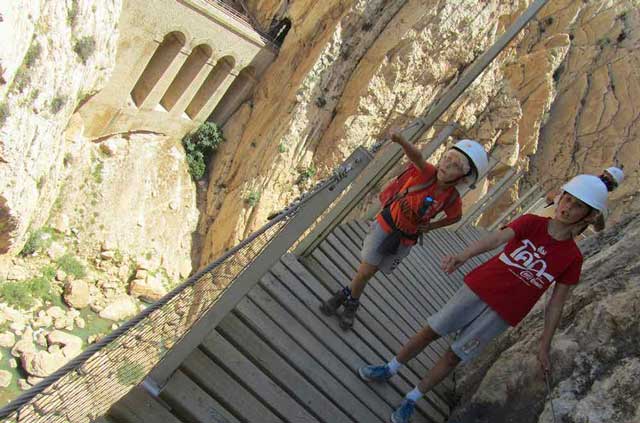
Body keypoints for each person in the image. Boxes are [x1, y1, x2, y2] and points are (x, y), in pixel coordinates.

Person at [357, 174, 608, 423]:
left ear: (586, 216)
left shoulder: (572, 258)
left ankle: (412, 398)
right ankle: (390, 368)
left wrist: (545, 343)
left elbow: (557, 301)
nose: (567, 208)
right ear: (560, 197)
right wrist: (463, 256)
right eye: (567, 199)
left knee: (455, 355)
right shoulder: (532, 223)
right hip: (478, 288)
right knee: (431, 330)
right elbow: (497, 238)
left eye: (577, 206)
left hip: (503, 312)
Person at [319, 129, 489, 330]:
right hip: (387, 225)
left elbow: (455, 216)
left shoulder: (451, 199)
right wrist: (401, 140)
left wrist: (431, 226)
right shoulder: (427, 173)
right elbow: (417, 157)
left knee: (370, 271)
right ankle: (352, 302)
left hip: (406, 238)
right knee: (366, 270)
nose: (447, 166)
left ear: (463, 178)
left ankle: (345, 294)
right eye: (447, 159)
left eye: (455, 166)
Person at [538, 166, 623, 234]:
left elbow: (599, 228)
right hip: (550, 220)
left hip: (560, 229)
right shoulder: (583, 185)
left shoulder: (583, 184)